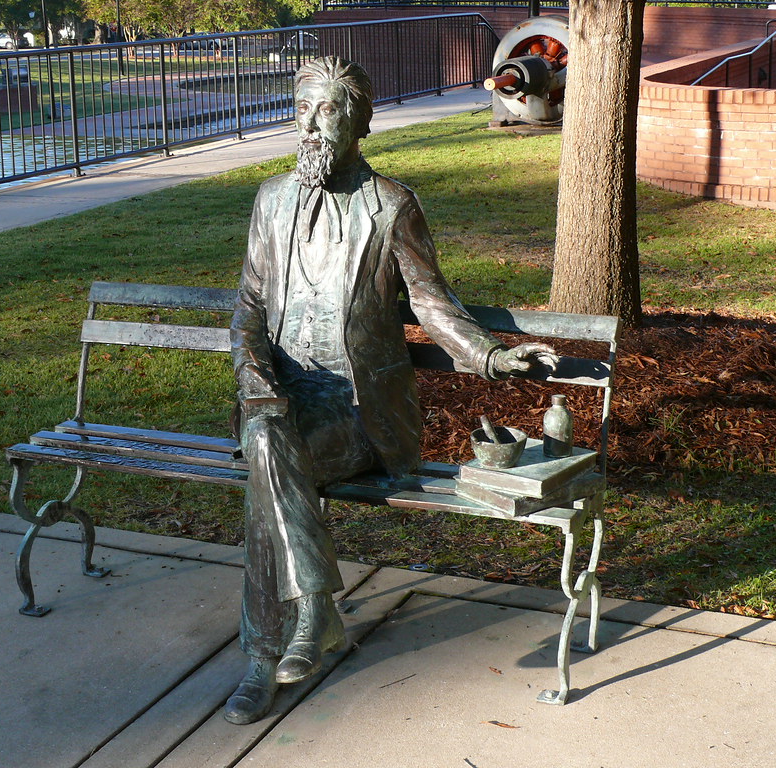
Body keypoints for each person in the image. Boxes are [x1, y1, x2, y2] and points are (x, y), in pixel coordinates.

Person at [225, 56, 558, 724]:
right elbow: (248, 313)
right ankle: (312, 612)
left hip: (357, 415)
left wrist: (491, 358)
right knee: (267, 436)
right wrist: (257, 381)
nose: (313, 125)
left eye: (329, 109)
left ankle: (274, 650)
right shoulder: (271, 200)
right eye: (304, 109)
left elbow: (432, 306)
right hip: (282, 402)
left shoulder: (392, 206)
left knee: (266, 453)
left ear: (362, 120)